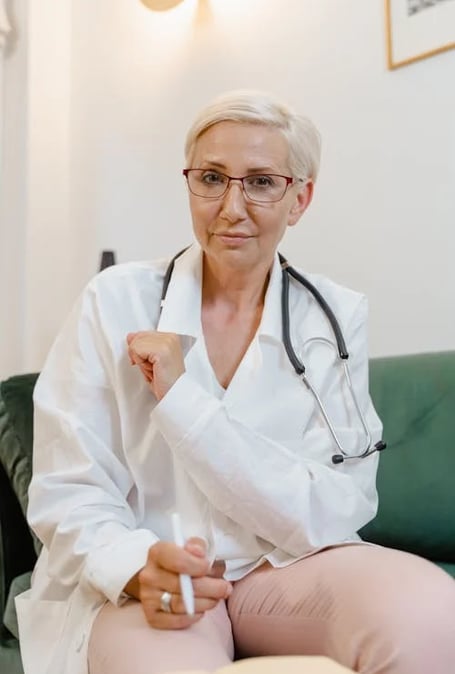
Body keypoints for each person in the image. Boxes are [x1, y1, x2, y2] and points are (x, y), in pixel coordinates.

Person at [16, 90, 455, 674]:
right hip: (146, 580)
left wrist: (184, 403)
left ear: (300, 197)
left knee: (431, 618)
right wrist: (137, 564)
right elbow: (67, 488)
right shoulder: (116, 301)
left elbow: (336, 504)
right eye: (212, 178)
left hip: (278, 573)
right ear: (190, 184)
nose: (231, 206)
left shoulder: (333, 319)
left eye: (261, 182)